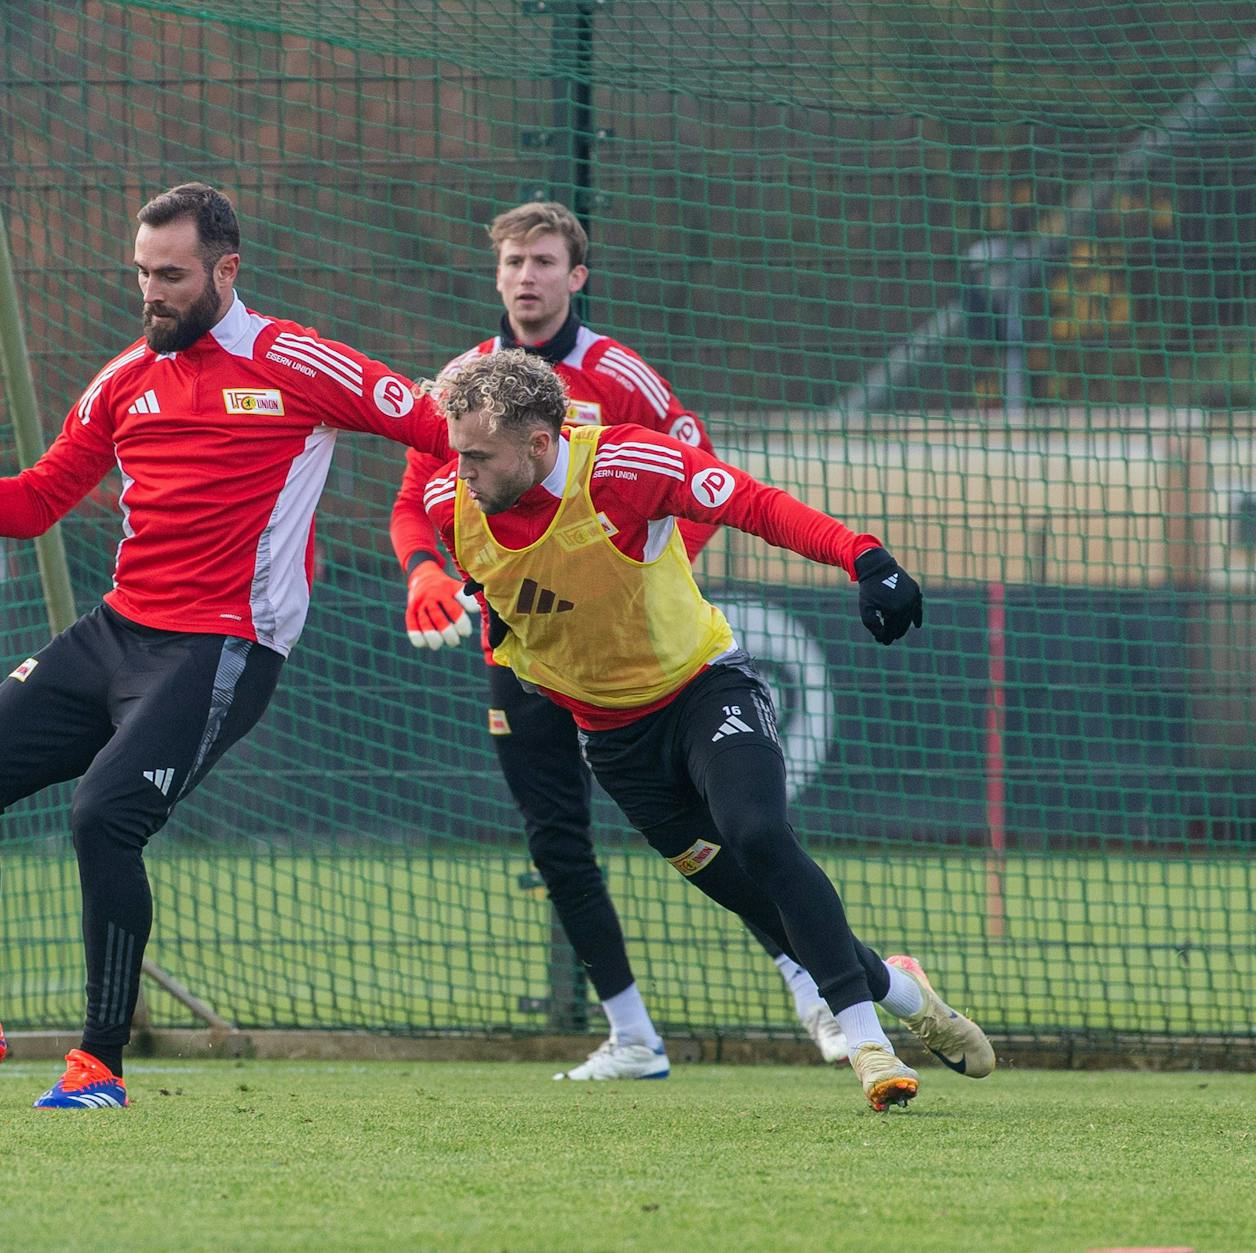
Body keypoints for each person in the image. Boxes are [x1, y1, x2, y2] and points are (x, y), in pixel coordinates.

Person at [0, 183, 449, 1110]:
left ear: (226, 269)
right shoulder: (123, 377)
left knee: (104, 817)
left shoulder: (298, 359)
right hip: (117, 631)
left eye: (171, 275)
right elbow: (34, 503)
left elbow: (440, 429)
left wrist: (429, 546)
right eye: (142, 273)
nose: (152, 293)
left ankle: (98, 1062)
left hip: (220, 648)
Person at [421, 347, 994, 1110]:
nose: (462, 471)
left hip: (702, 690)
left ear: (539, 444)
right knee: (756, 899)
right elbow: (507, 602)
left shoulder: (626, 466)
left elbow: (752, 504)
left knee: (759, 834)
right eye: (457, 453)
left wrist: (863, 556)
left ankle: (869, 1044)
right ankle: (901, 991)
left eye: (479, 456)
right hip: (616, 746)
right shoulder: (450, 503)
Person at [388, 201, 847, 1078]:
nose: (528, 276)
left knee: (727, 827)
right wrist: (424, 571)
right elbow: (415, 501)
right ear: (496, 276)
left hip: (637, 669)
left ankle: (812, 983)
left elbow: (697, 478)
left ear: (577, 276)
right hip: (522, 657)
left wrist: (637, 582)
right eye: (514, 260)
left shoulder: (620, 375)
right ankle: (631, 1032)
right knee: (553, 834)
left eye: (545, 260)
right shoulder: (456, 382)